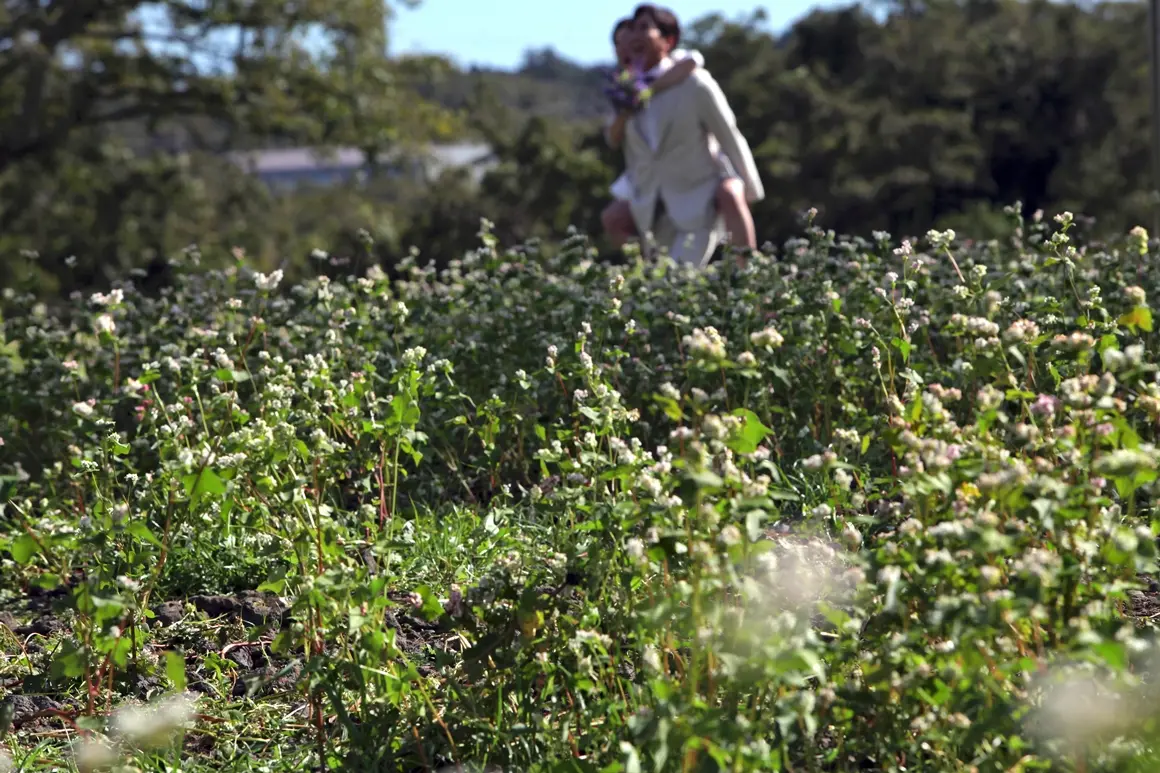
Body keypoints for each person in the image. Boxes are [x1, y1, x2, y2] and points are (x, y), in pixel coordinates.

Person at [608, 4, 764, 267]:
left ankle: (754, 287)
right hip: (652, 210)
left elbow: (729, 135)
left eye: (645, 28)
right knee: (656, 289)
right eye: (632, 28)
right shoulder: (627, 93)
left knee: (678, 283)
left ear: (667, 41)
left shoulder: (694, 84)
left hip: (698, 203)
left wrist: (748, 191)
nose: (635, 35)